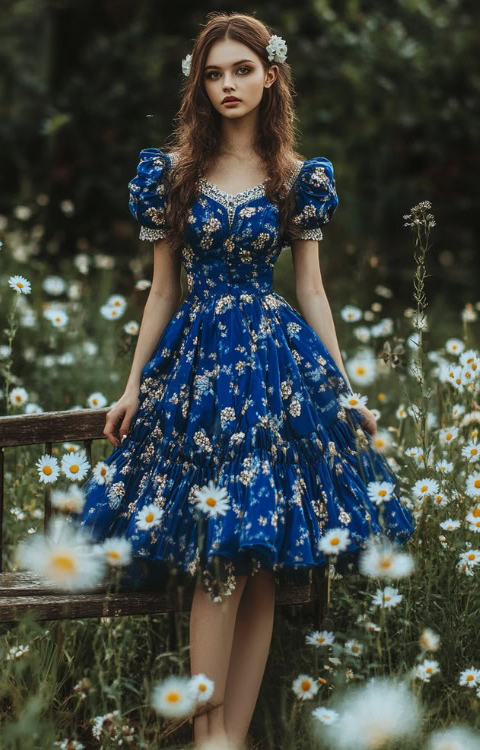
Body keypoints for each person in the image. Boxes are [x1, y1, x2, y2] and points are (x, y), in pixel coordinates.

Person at [75, 11, 415, 750]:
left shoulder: (298, 178)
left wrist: (347, 391)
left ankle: (228, 736)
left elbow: (313, 292)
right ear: (200, 83)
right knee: (217, 555)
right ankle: (207, 736)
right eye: (214, 72)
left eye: (242, 69)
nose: (227, 84)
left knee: (260, 562)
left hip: (274, 373)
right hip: (198, 372)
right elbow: (162, 291)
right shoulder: (169, 173)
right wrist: (133, 386)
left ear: (271, 75)